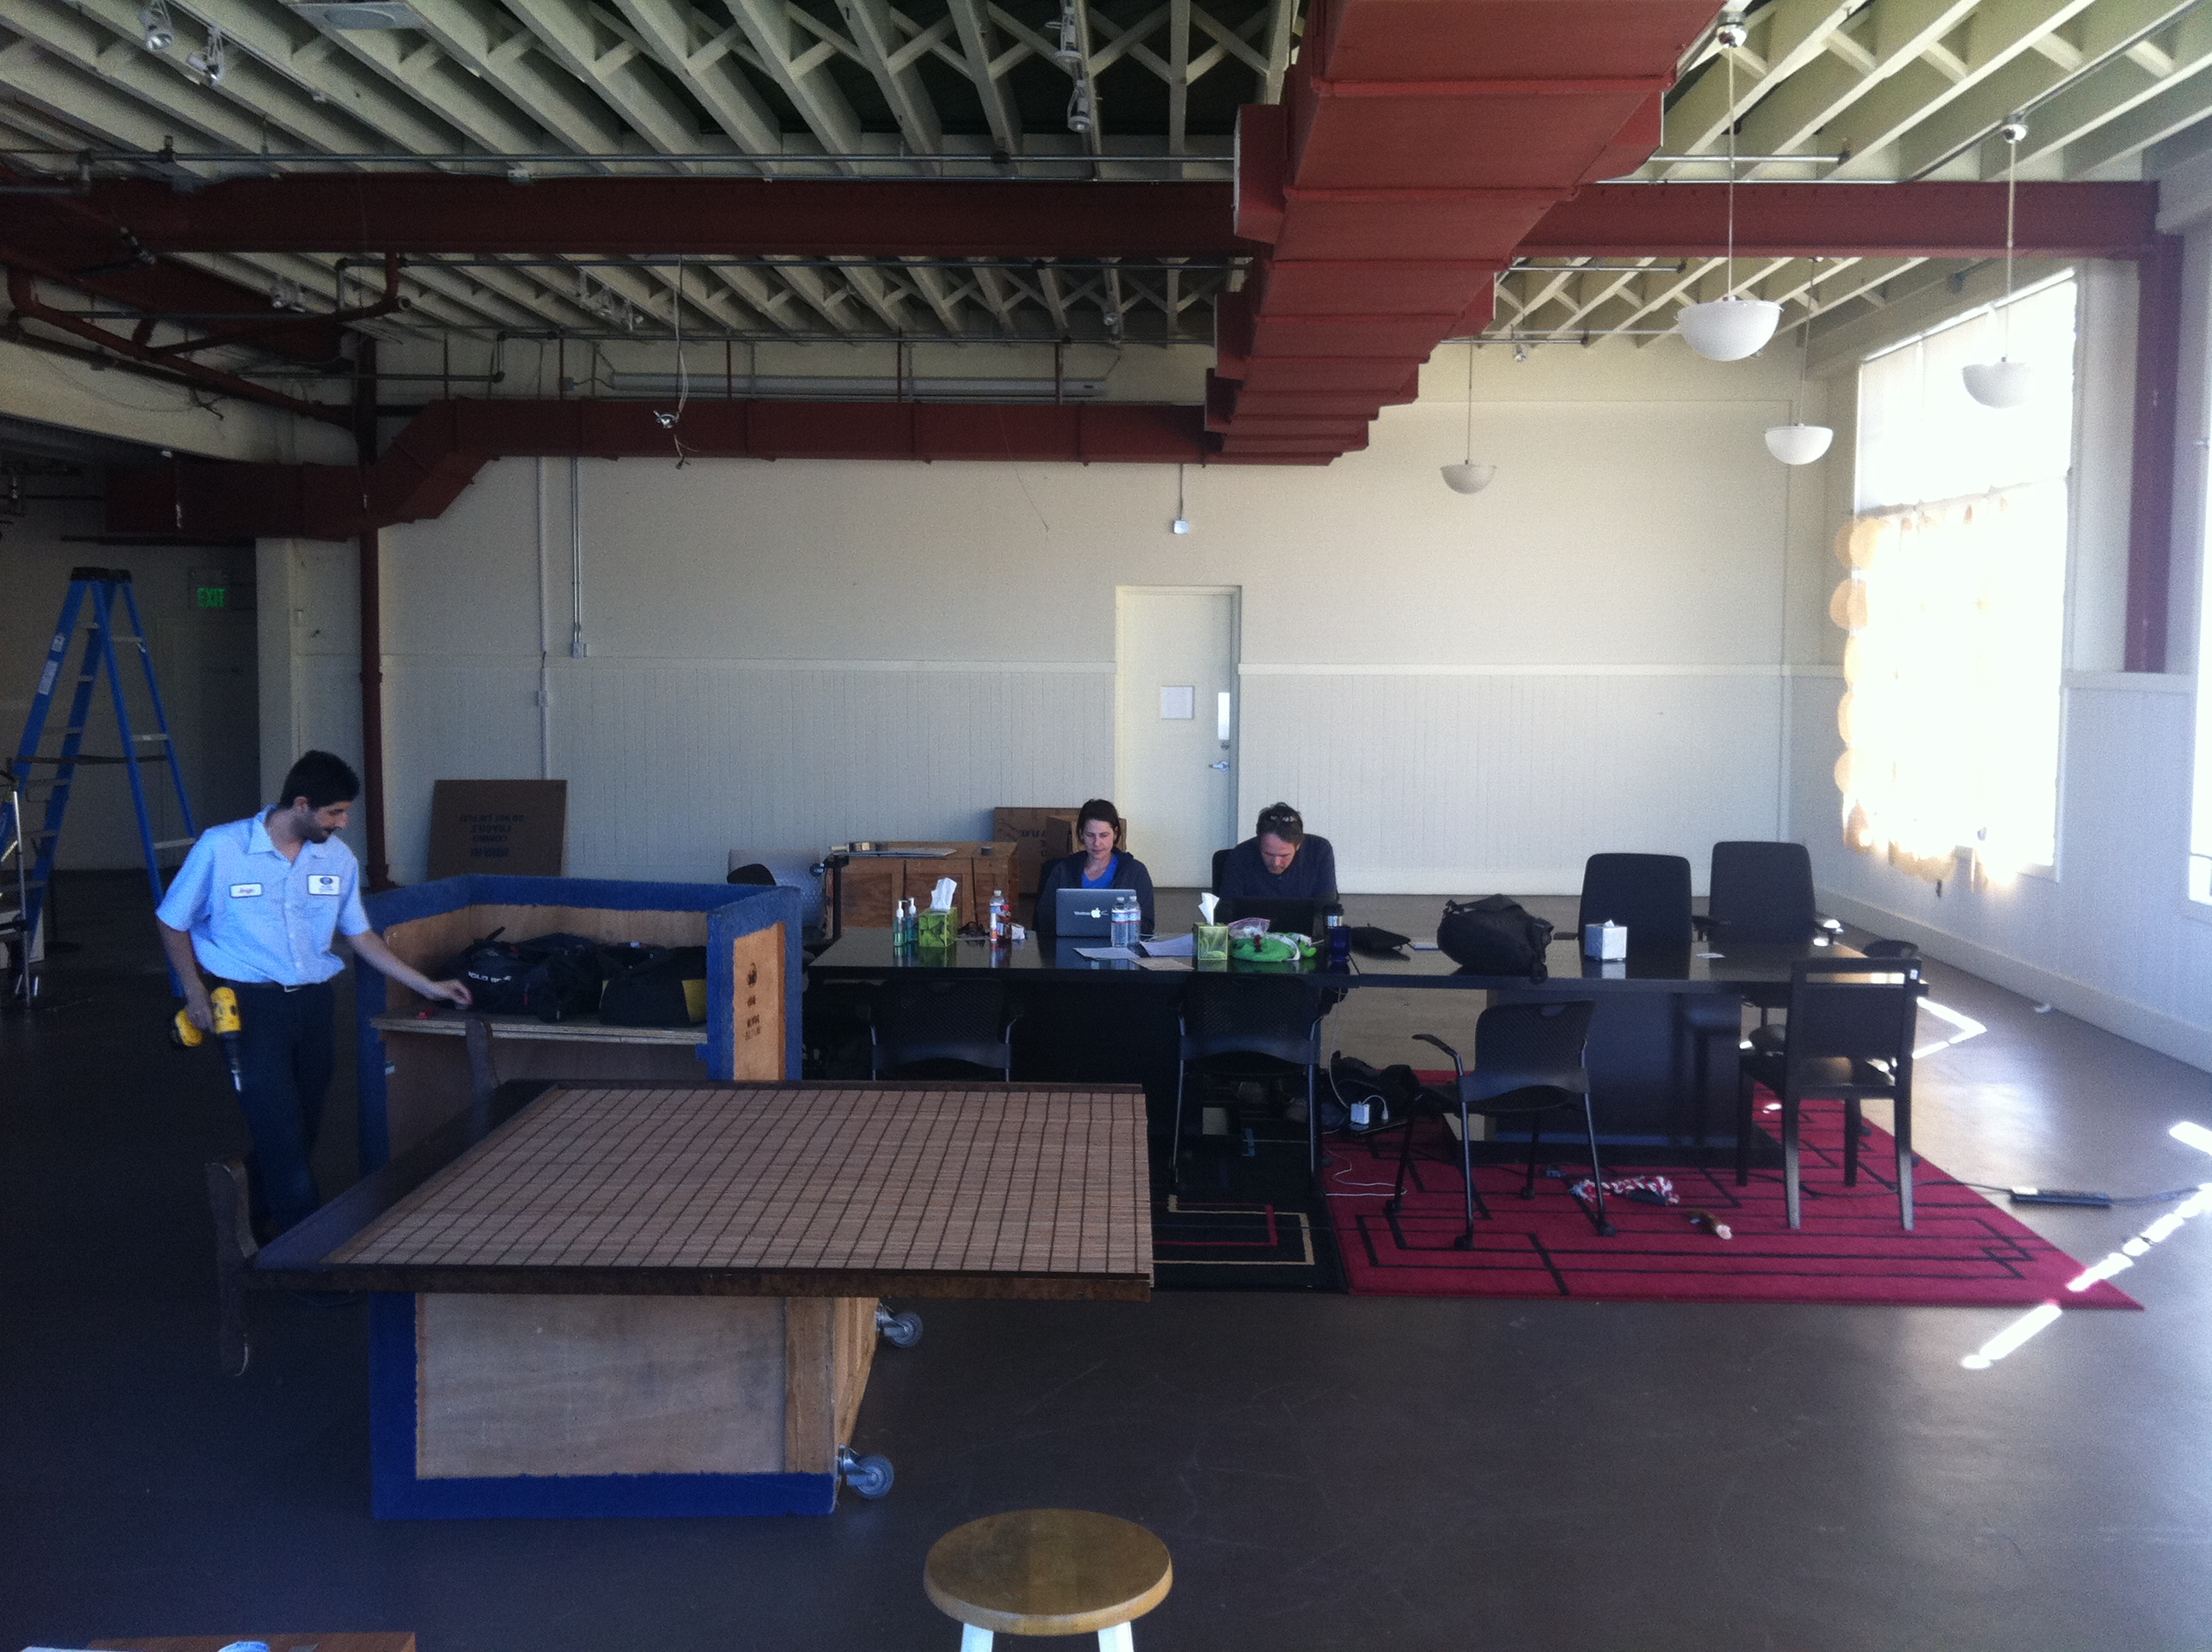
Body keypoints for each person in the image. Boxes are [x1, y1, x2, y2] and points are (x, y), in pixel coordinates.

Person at [156, 751, 472, 1239]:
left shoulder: (337, 859)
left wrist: (427, 985)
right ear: (301, 805)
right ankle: (307, 1250)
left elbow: (359, 935)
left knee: (303, 1129)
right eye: (335, 813)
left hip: (313, 1005)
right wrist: (194, 991)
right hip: (247, 1008)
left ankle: (243, 1219)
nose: (343, 823)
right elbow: (172, 921)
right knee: (280, 1132)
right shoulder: (222, 848)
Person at [1034, 798, 1156, 936]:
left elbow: (1147, 925)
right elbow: (1044, 919)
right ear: (1081, 834)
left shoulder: (1135, 872)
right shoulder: (1063, 870)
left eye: (1104, 835)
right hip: (1071, 945)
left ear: (1115, 834)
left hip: (1119, 945)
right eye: (1090, 835)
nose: (1097, 843)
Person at [1217, 801, 1338, 902]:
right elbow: (1227, 909)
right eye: (1268, 854)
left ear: (1298, 845)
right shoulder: (1241, 854)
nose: (1276, 862)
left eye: (1284, 855)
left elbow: (1327, 906)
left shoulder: (1319, 851)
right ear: (1259, 842)